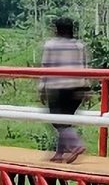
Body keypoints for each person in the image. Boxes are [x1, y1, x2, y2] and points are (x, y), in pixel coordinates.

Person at [38, 16, 89, 163]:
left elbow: (46, 67)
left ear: (56, 29)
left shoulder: (51, 45)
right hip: (77, 87)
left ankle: (76, 145)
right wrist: (86, 87)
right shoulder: (79, 45)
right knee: (66, 121)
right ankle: (59, 154)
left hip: (58, 87)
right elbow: (84, 67)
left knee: (58, 121)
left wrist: (42, 87)